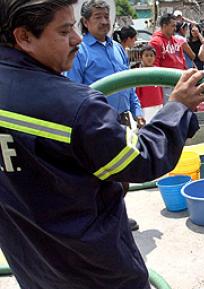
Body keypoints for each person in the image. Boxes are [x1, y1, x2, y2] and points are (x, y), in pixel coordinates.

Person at [0, 0, 204, 289]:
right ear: (24, 37)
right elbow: (142, 160)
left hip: (35, 269)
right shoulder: (75, 107)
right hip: (97, 276)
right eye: (65, 31)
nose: (76, 39)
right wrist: (177, 108)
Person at [66, 0, 145, 232]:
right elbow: (73, 90)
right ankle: (102, 222)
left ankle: (117, 216)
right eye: (97, 17)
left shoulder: (118, 48)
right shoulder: (80, 51)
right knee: (100, 178)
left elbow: (129, 84)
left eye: (106, 16)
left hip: (121, 120)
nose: (103, 21)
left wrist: (137, 110)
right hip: (95, 124)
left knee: (123, 174)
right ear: (86, 22)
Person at [150, 13, 186, 102]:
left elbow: (182, 61)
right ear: (164, 26)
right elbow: (154, 66)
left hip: (180, 81)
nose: (175, 29)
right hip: (166, 84)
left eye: (175, 26)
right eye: (172, 26)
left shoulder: (176, 40)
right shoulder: (156, 42)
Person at [136, 45, 164, 122]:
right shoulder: (138, 73)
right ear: (141, 57)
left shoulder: (157, 71)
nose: (149, 58)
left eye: (151, 55)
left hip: (159, 104)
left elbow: (160, 89)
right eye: (146, 55)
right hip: (145, 107)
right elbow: (137, 93)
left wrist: (161, 102)